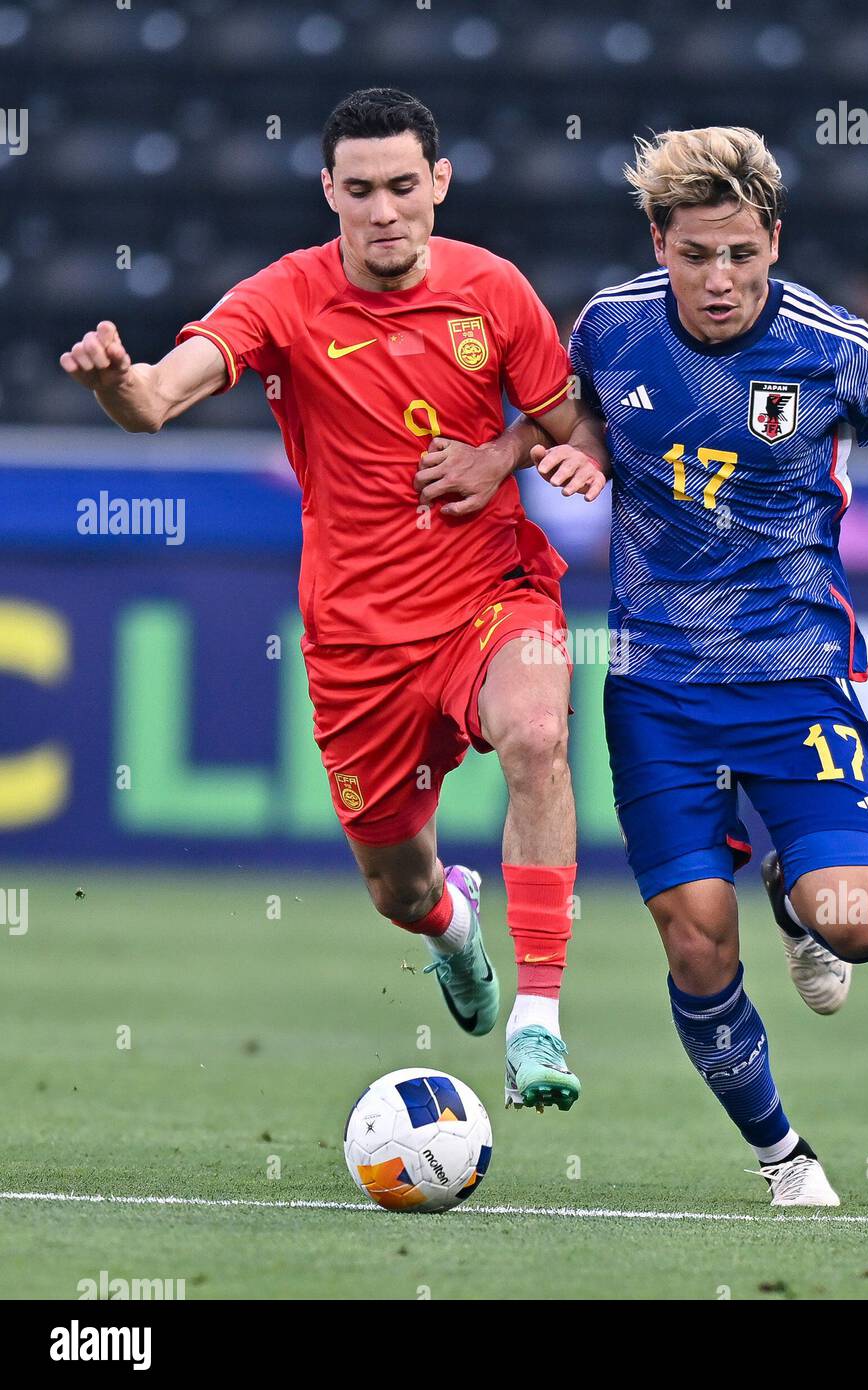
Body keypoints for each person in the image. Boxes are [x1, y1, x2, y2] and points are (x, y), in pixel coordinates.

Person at [59, 87, 605, 1125]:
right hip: (358, 641)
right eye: (360, 191)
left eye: (404, 186)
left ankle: (539, 1015)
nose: (385, 210)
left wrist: (503, 454)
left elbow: (566, 423)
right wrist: (112, 382)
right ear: (329, 193)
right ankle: (455, 929)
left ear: (438, 184)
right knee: (401, 891)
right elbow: (156, 402)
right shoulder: (284, 299)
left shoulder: (495, 291)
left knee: (538, 733)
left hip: (492, 593)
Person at [530, 126, 868, 1204]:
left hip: (796, 674)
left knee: (857, 924)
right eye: (694, 255)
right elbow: (572, 406)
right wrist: (576, 442)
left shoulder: (830, 345)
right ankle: (782, 1155)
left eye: (741, 256)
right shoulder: (610, 325)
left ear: (773, 239)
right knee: (694, 944)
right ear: (658, 241)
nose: (719, 281)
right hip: (657, 689)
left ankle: (791, 891)